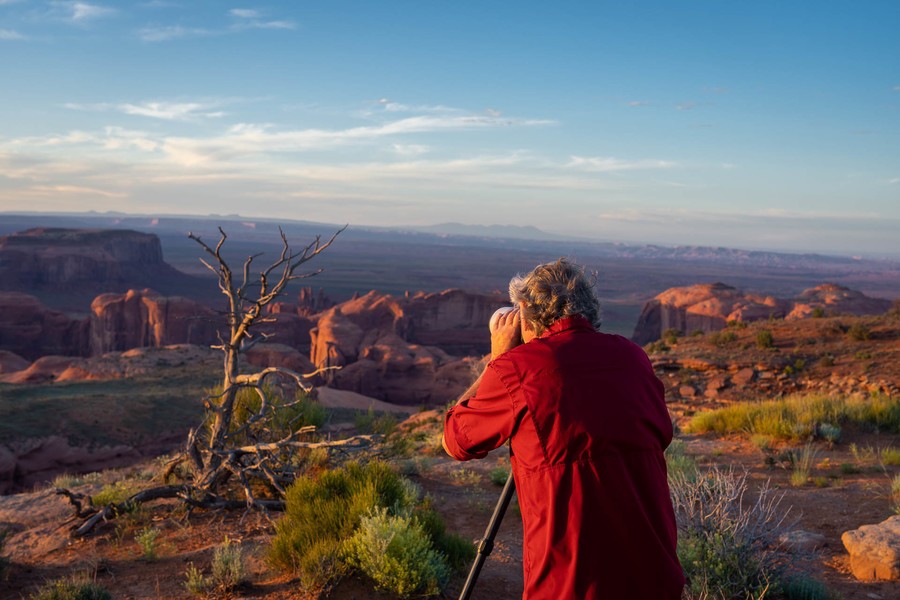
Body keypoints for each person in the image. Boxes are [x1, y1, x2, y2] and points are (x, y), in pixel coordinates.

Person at [442, 259, 684, 599]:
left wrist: (497, 359)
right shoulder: (634, 358)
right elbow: (661, 437)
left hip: (570, 583)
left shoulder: (519, 369)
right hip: (654, 576)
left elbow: (455, 440)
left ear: (526, 313)